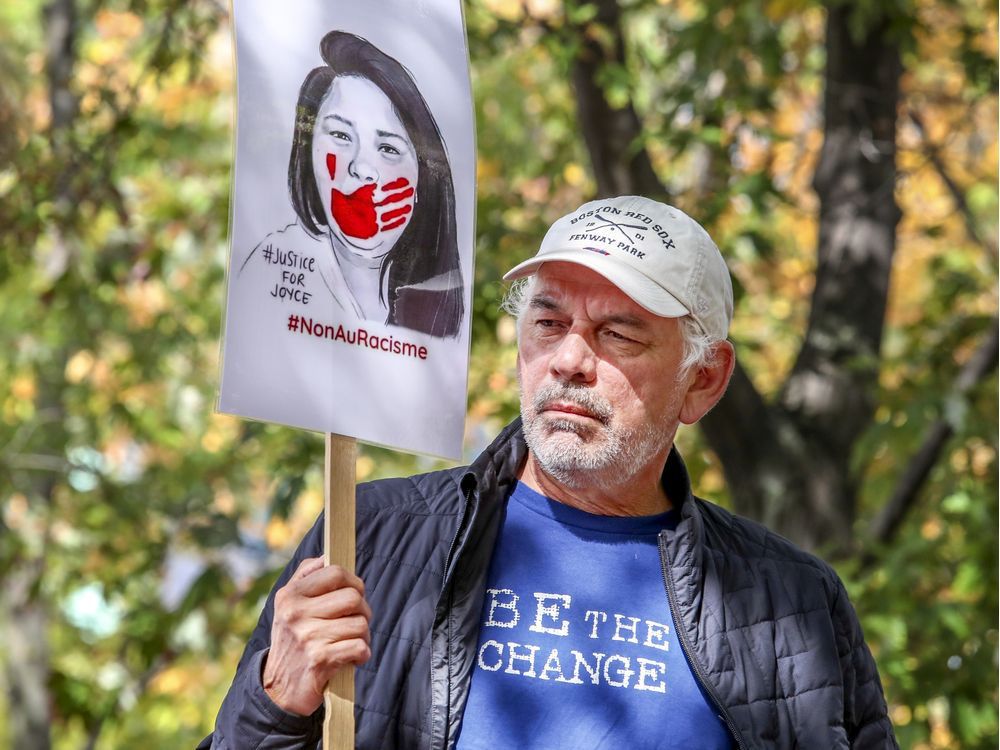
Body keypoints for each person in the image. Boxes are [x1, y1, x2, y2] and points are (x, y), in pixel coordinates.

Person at [202, 196, 898, 749]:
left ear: (703, 380)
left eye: (617, 333)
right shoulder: (371, 540)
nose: (568, 358)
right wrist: (277, 704)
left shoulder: (790, 603)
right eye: (547, 321)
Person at [236, 30, 464, 338]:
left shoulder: (435, 317)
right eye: (341, 136)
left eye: (388, 149)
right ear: (309, 153)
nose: (361, 168)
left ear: (425, 182)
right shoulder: (275, 270)